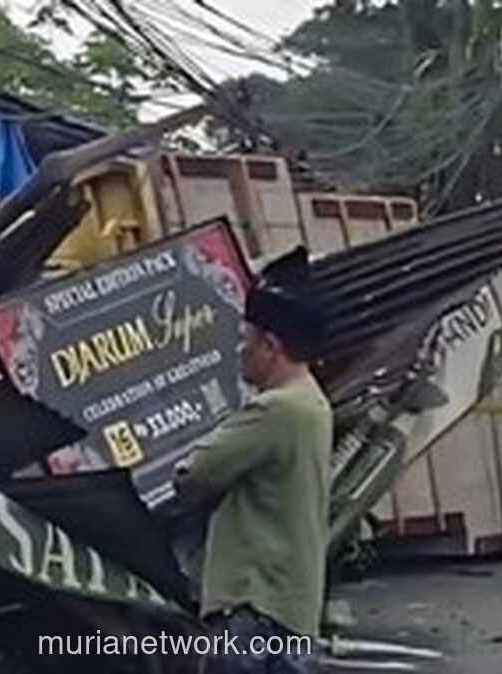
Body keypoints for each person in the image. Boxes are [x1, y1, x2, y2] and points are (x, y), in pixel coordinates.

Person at [174, 248, 332, 674]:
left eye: (246, 341)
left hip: (255, 606)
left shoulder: (276, 411)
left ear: (271, 346)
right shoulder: (314, 403)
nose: (239, 351)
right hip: (292, 608)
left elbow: (192, 474)